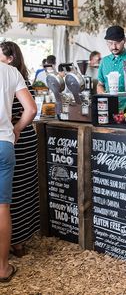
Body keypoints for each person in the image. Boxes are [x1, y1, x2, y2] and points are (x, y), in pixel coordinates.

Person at [0, 41, 40, 258]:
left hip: (16, 138)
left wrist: (15, 130)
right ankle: (17, 244)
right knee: (17, 193)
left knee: (12, 195)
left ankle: (14, 243)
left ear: (10, 57)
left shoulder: (12, 75)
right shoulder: (17, 77)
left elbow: (27, 110)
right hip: (13, 139)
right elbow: (31, 109)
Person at [97, 25, 126, 111]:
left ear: (124, 40)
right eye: (110, 43)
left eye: (117, 42)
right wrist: (102, 94)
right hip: (110, 109)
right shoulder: (104, 61)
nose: (114, 46)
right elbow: (100, 84)